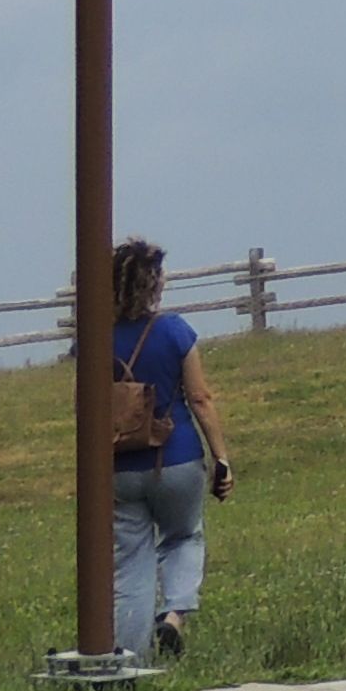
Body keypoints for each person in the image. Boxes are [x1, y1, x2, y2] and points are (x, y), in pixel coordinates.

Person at [106, 236, 235, 662]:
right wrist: (220, 457)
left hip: (119, 466)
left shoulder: (95, 341)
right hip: (176, 458)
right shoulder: (176, 331)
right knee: (184, 537)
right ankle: (174, 617)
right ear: (155, 284)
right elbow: (200, 399)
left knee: (130, 564)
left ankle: (129, 657)